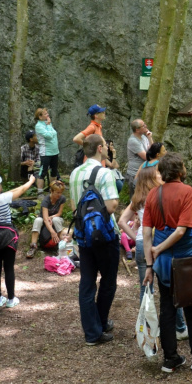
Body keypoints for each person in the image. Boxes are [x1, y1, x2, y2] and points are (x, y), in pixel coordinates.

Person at [142, 153, 192, 373]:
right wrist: (159, 249)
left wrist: (150, 265)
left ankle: (171, 359)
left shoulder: (153, 194)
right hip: (185, 262)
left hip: (163, 265)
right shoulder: (187, 192)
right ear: (180, 171)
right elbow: (181, 230)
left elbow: (146, 233)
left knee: (167, 309)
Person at [118, 165, 189, 339]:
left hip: (143, 244)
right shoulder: (159, 196)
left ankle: (149, 328)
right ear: (151, 178)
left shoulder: (138, 199)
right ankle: (179, 327)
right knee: (170, 285)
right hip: (158, 244)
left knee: (146, 287)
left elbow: (121, 221)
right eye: (158, 173)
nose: (161, 175)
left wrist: (137, 237)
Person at [70, 134, 120, 345]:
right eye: (106, 147)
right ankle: (100, 323)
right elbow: (112, 205)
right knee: (108, 281)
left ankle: (92, 331)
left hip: (83, 236)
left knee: (87, 283)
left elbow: (74, 208)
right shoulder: (104, 172)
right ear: (100, 148)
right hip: (105, 236)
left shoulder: (74, 173)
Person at [0, 173, 36, 308]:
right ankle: (11, 299)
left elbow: (12, 191)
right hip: (7, 236)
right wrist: (30, 181)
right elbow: (21, 191)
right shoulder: (3, 198)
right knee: (8, 268)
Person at [26, 180, 67, 258]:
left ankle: (61, 245)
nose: (59, 195)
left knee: (56, 219)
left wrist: (51, 217)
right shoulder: (46, 200)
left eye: (61, 192)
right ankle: (33, 246)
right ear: (51, 191)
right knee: (38, 220)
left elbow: (59, 213)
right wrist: (52, 232)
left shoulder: (62, 199)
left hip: (55, 218)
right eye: (57, 192)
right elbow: (45, 219)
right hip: (44, 218)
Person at [34, 108, 60, 187]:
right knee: (43, 172)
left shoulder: (47, 123)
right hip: (46, 152)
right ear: (40, 117)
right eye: (45, 114)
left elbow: (53, 134)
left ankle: (53, 189)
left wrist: (48, 125)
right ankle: (40, 191)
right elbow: (48, 136)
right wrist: (48, 125)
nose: (47, 115)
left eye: (47, 113)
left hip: (54, 151)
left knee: (54, 171)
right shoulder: (39, 126)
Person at [125, 118, 151, 193]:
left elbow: (152, 150)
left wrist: (149, 137)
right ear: (137, 130)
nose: (146, 126)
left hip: (143, 173)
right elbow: (147, 157)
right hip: (135, 175)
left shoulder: (143, 137)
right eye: (143, 125)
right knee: (135, 200)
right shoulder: (133, 141)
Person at [20, 130, 45, 196]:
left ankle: (35, 185)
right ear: (31, 139)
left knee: (39, 166)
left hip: (35, 166)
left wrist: (34, 162)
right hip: (25, 168)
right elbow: (19, 162)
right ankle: (29, 185)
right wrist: (25, 163)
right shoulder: (23, 148)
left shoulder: (38, 148)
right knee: (27, 167)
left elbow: (39, 159)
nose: (38, 138)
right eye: (36, 136)